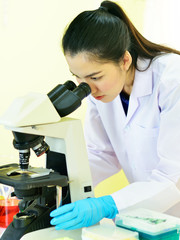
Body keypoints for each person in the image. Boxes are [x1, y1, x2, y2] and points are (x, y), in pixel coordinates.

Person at [50, 0, 180, 230]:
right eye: (78, 78)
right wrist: (55, 182)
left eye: (96, 77)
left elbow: (173, 177)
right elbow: (102, 153)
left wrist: (109, 204)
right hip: (152, 219)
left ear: (125, 60)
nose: (87, 88)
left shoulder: (172, 79)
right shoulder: (102, 92)